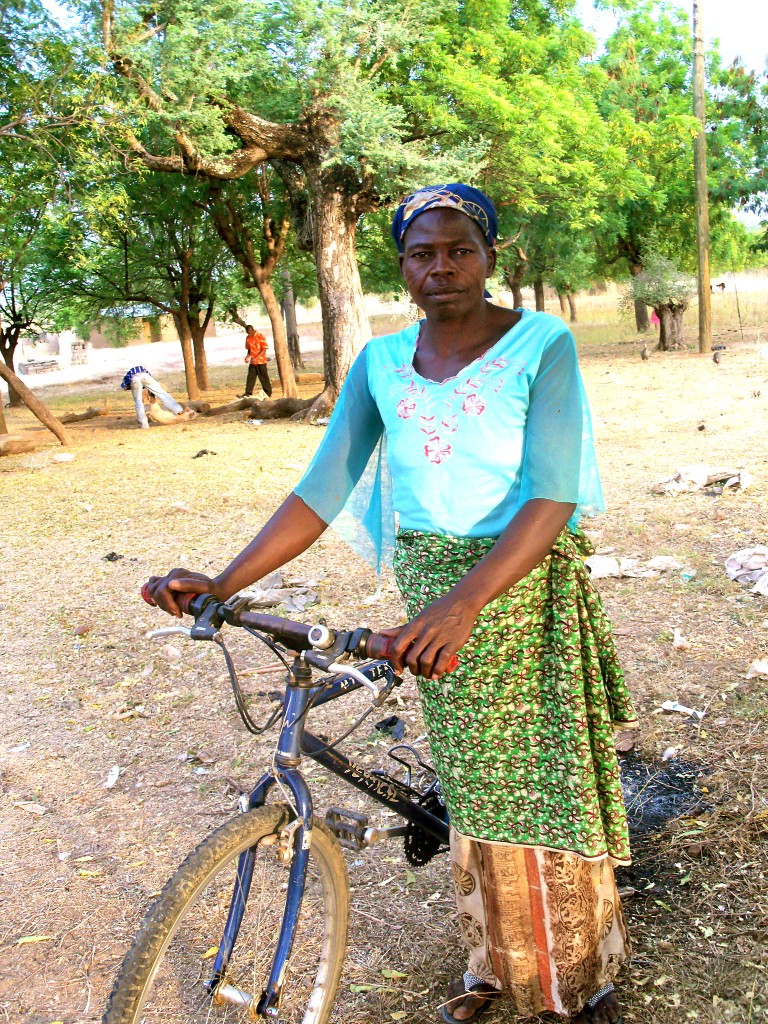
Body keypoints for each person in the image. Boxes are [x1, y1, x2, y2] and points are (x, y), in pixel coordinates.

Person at [145, 184, 636, 1024]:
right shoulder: (378, 364)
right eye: (422, 253)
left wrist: (464, 606)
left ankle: (571, 978)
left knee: (537, 779)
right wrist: (225, 583)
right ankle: (501, 966)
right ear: (401, 266)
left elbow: (554, 494)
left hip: (516, 582)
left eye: (459, 250)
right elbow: (322, 488)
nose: (440, 267)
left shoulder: (542, 344)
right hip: (430, 580)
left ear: (489, 255)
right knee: (479, 785)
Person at [120, 365, 184, 429]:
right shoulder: (144, 371)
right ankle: (178, 410)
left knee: (138, 402)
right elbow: (149, 385)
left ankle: (144, 425)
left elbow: (125, 387)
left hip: (134, 380)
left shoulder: (127, 376)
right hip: (146, 377)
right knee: (161, 393)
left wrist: (133, 388)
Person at [240, 324, 273, 399]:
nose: (249, 334)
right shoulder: (248, 338)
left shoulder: (260, 336)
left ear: (252, 330)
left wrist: (257, 357)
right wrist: (247, 356)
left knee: (263, 377)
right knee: (250, 377)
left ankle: (268, 392)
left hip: (261, 361)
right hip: (253, 362)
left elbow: (264, 349)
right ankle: (247, 393)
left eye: (250, 332)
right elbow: (249, 349)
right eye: (248, 333)